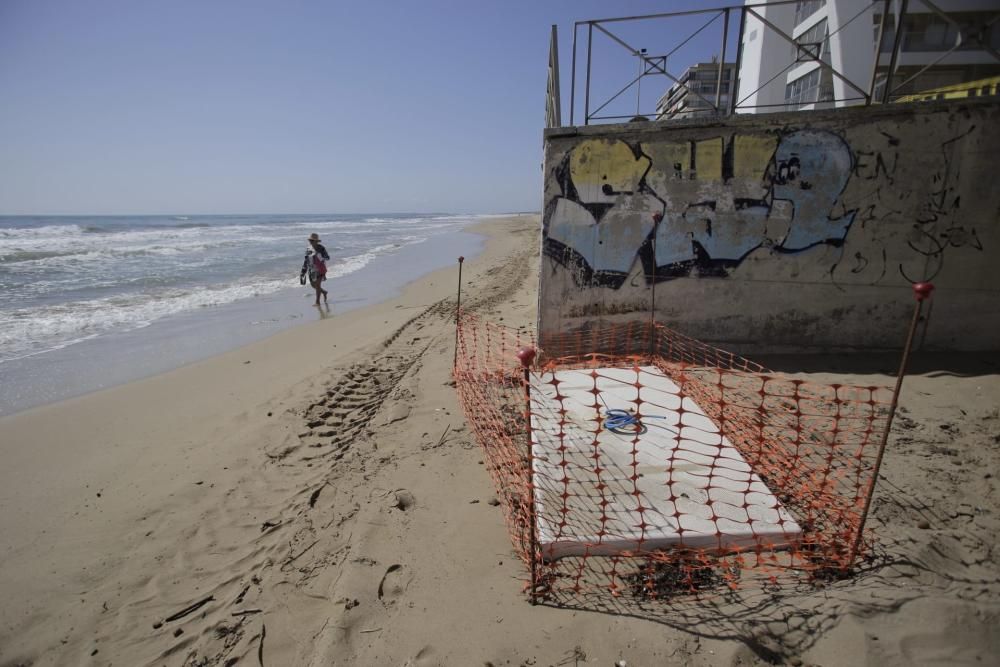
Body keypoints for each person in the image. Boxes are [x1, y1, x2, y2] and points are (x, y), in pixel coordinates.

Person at [300, 233, 330, 306]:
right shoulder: (308, 249)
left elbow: (328, 257)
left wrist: (320, 256)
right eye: (310, 240)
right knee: (313, 285)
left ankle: (317, 302)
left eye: (312, 240)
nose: (311, 242)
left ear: (316, 241)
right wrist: (303, 270)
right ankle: (324, 292)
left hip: (320, 269)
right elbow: (306, 260)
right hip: (312, 270)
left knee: (317, 285)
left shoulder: (321, 248)